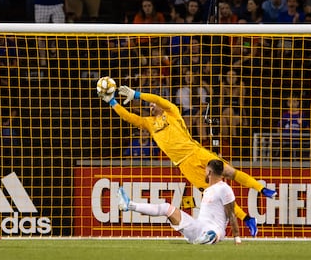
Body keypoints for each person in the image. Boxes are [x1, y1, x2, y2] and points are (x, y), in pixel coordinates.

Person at [99, 83, 277, 237]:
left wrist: (137, 95)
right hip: (184, 165)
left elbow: (159, 100)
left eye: (153, 105)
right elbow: (128, 117)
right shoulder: (149, 123)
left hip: (197, 152)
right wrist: (112, 102)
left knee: (229, 172)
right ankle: (247, 219)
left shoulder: (172, 112)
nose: (152, 106)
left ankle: (262, 189)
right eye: (150, 106)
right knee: (214, 193)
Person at [117, 159, 242, 245]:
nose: (204, 173)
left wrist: (237, 238)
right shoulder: (209, 190)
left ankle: (208, 238)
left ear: (209, 172)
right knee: (166, 208)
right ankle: (129, 205)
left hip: (216, 230)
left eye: (205, 170)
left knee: (213, 233)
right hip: (198, 226)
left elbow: (231, 214)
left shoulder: (224, 188)